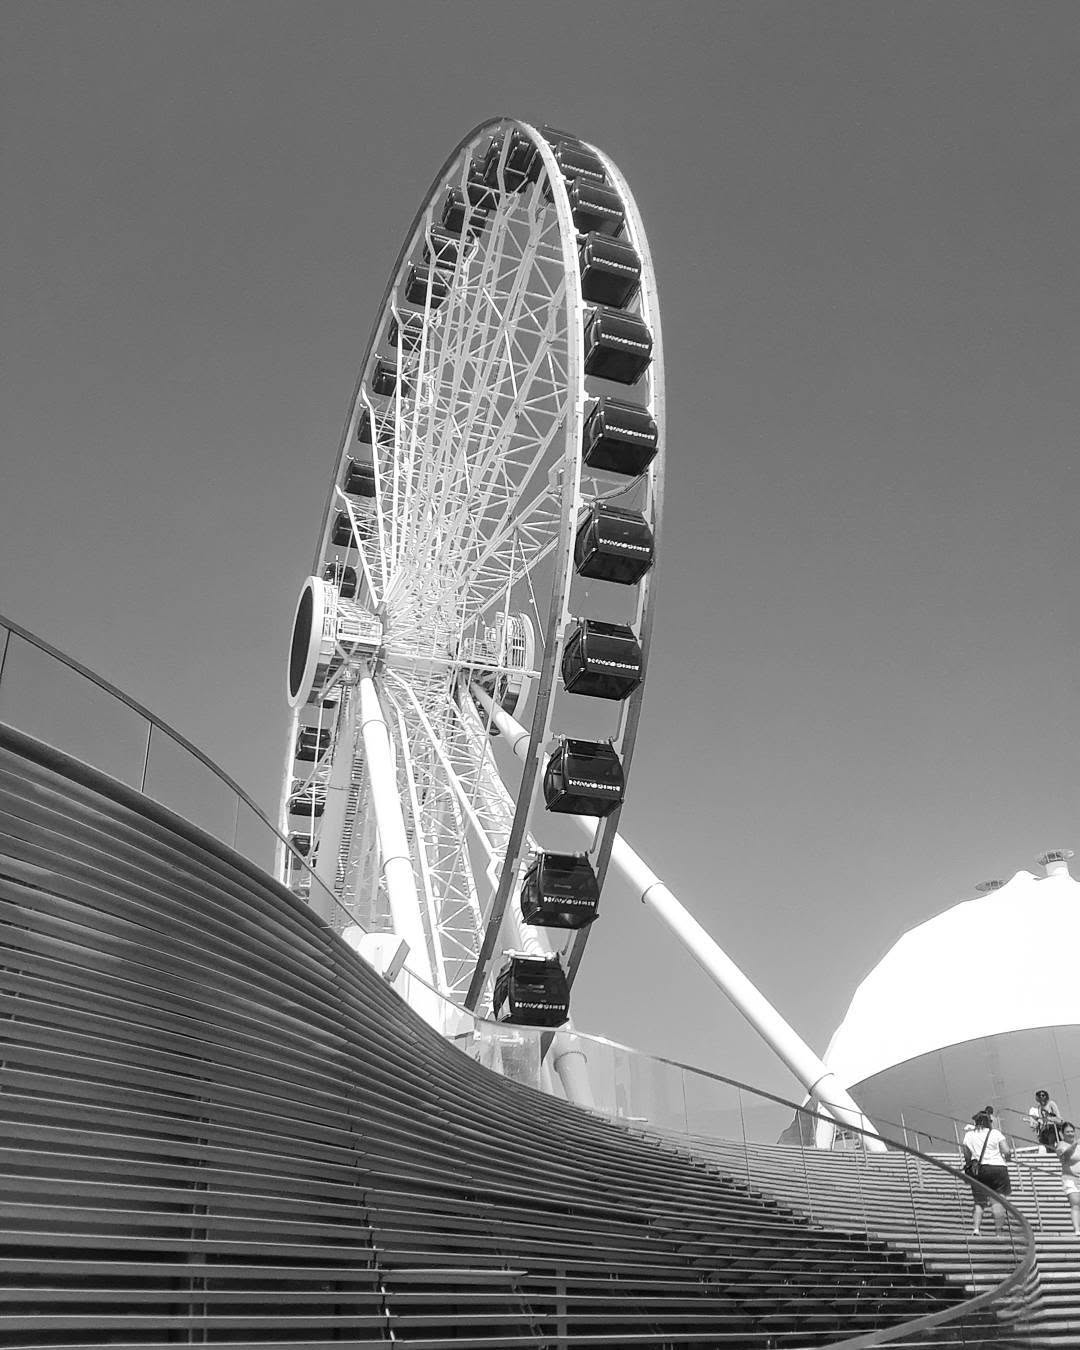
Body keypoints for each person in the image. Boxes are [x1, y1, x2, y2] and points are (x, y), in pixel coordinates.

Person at [962, 1110, 1014, 1236]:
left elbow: (967, 1156)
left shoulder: (969, 1135)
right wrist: (1008, 1158)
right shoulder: (995, 1133)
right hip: (998, 1169)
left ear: (976, 1122)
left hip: (979, 1171)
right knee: (998, 1202)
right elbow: (1006, 1151)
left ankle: (976, 1229)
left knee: (979, 1201)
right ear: (988, 1122)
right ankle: (998, 1233)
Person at [1055, 1122, 1080, 1237]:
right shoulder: (1061, 1145)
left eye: (1072, 1131)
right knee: (1075, 1203)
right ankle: (1077, 1229)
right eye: (1067, 1132)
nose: (1070, 1134)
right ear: (1062, 1134)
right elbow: (1066, 1156)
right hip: (1070, 1178)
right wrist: (1074, 1145)